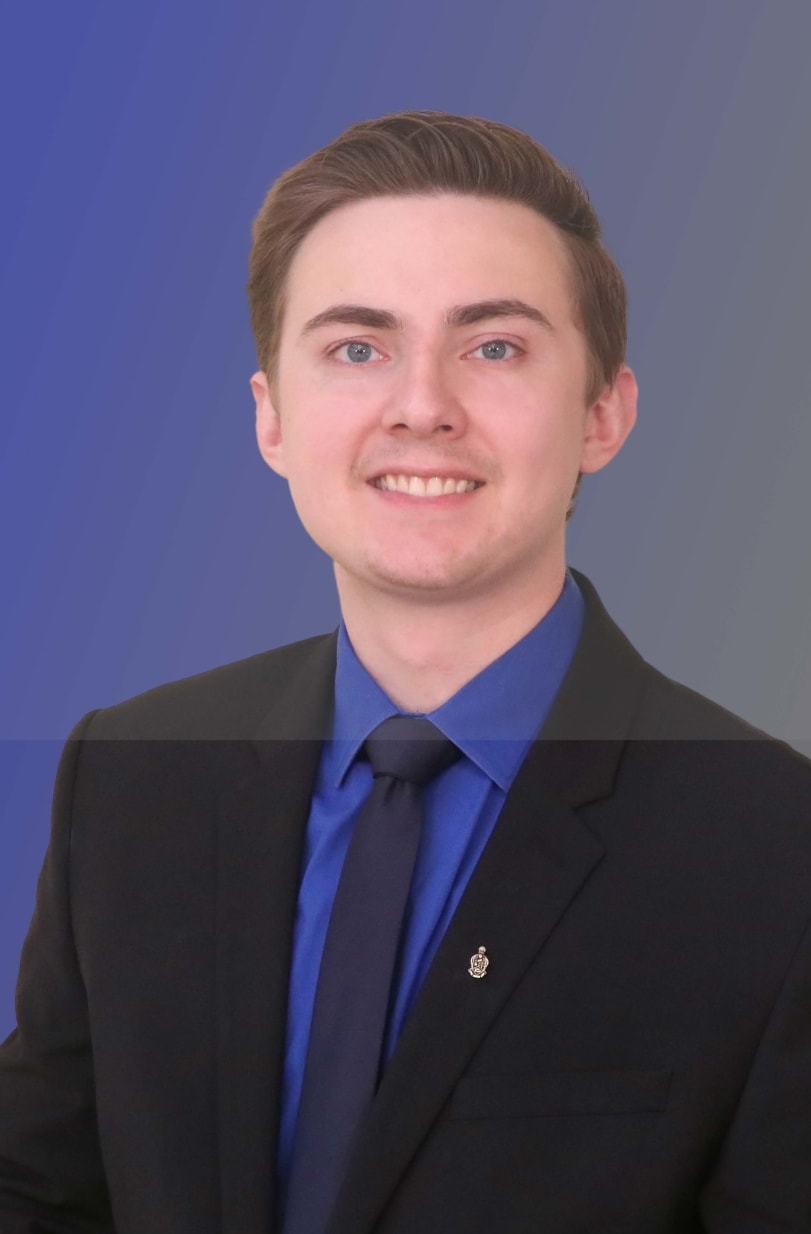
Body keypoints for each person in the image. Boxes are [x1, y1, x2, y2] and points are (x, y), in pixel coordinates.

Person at [1, 110, 810, 1234]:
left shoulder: (773, 846)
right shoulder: (132, 776)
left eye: (494, 347)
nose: (422, 405)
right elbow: (37, 1194)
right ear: (271, 419)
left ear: (603, 414)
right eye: (356, 348)